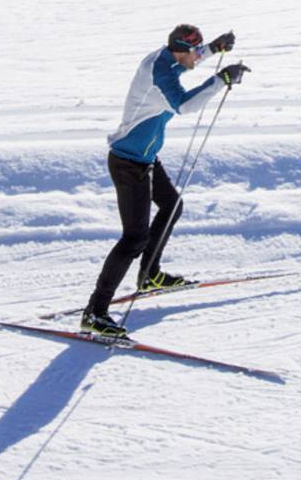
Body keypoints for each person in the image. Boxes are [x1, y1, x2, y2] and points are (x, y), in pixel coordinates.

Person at [80, 24, 246, 338]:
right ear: (180, 51)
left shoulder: (168, 57)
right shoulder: (161, 75)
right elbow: (184, 105)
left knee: (171, 206)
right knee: (133, 239)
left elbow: (188, 59)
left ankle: (150, 274)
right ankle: (95, 312)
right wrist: (218, 81)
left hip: (145, 159)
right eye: (194, 53)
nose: (198, 57)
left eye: (199, 52)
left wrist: (214, 47)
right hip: (129, 164)